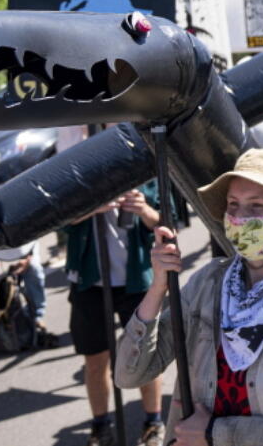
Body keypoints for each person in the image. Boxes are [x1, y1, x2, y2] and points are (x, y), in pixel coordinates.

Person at [116, 149, 263, 446]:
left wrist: (214, 433)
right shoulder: (207, 282)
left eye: (256, 206)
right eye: (233, 204)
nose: (240, 218)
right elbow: (129, 375)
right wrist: (157, 288)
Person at [65, 184, 165, 446]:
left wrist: (144, 210)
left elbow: (167, 223)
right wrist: (90, 208)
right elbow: (57, 220)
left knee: (144, 355)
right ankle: (100, 426)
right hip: (90, 283)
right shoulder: (81, 175)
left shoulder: (145, 172)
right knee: (95, 360)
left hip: (136, 282)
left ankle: (153, 422)